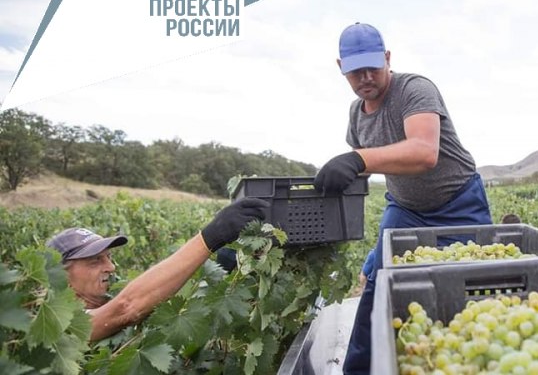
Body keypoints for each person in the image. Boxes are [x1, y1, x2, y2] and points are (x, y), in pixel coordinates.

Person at [314, 22, 492, 374]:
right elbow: (364, 164)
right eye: (355, 71)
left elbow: (424, 152)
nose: (365, 77)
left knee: (468, 290)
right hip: (405, 210)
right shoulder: (356, 114)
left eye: (372, 66)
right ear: (340, 68)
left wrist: (358, 159)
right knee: (378, 288)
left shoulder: (415, 89)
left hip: (459, 204)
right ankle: (360, 369)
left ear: (388, 58)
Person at [46, 197, 269, 341]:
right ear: (59, 276)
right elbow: (126, 308)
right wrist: (209, 238)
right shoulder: (54, 323)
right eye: (95, 261)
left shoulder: (110, 295)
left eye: (109, 257)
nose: (111, 267)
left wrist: (221, 266)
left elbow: (165, 298)